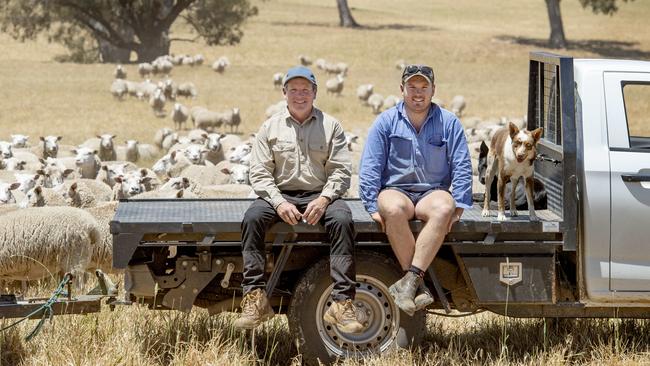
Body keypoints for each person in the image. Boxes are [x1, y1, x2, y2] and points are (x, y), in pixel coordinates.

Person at [233, 66, 364, 333]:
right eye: (294, 89)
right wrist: (279, 202)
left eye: (305, 90)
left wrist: (325, 199)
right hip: (280, 195)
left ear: (315, 93)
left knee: (342, 219)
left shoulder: (331, 126)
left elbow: (340, 170)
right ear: (284, 93)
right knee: (252, 218)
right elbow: (259, 172)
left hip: (320, 194)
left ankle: (342, 303)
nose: (300, 95)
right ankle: (255, 298)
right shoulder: (270, 127)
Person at [358, 64, 472, 316]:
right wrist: (370, 205)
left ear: (433, 90)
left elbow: (462, 163)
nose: (418, 93)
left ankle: (409, 282)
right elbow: (370, 164)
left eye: (424, 87)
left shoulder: (449, 122)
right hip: (396, 189)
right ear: (402, 89)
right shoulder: (385, 122)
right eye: (412, 87)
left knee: (445, 207)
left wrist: (460, 205)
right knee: (391, 207)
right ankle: (417, 285)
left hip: (432, 192)